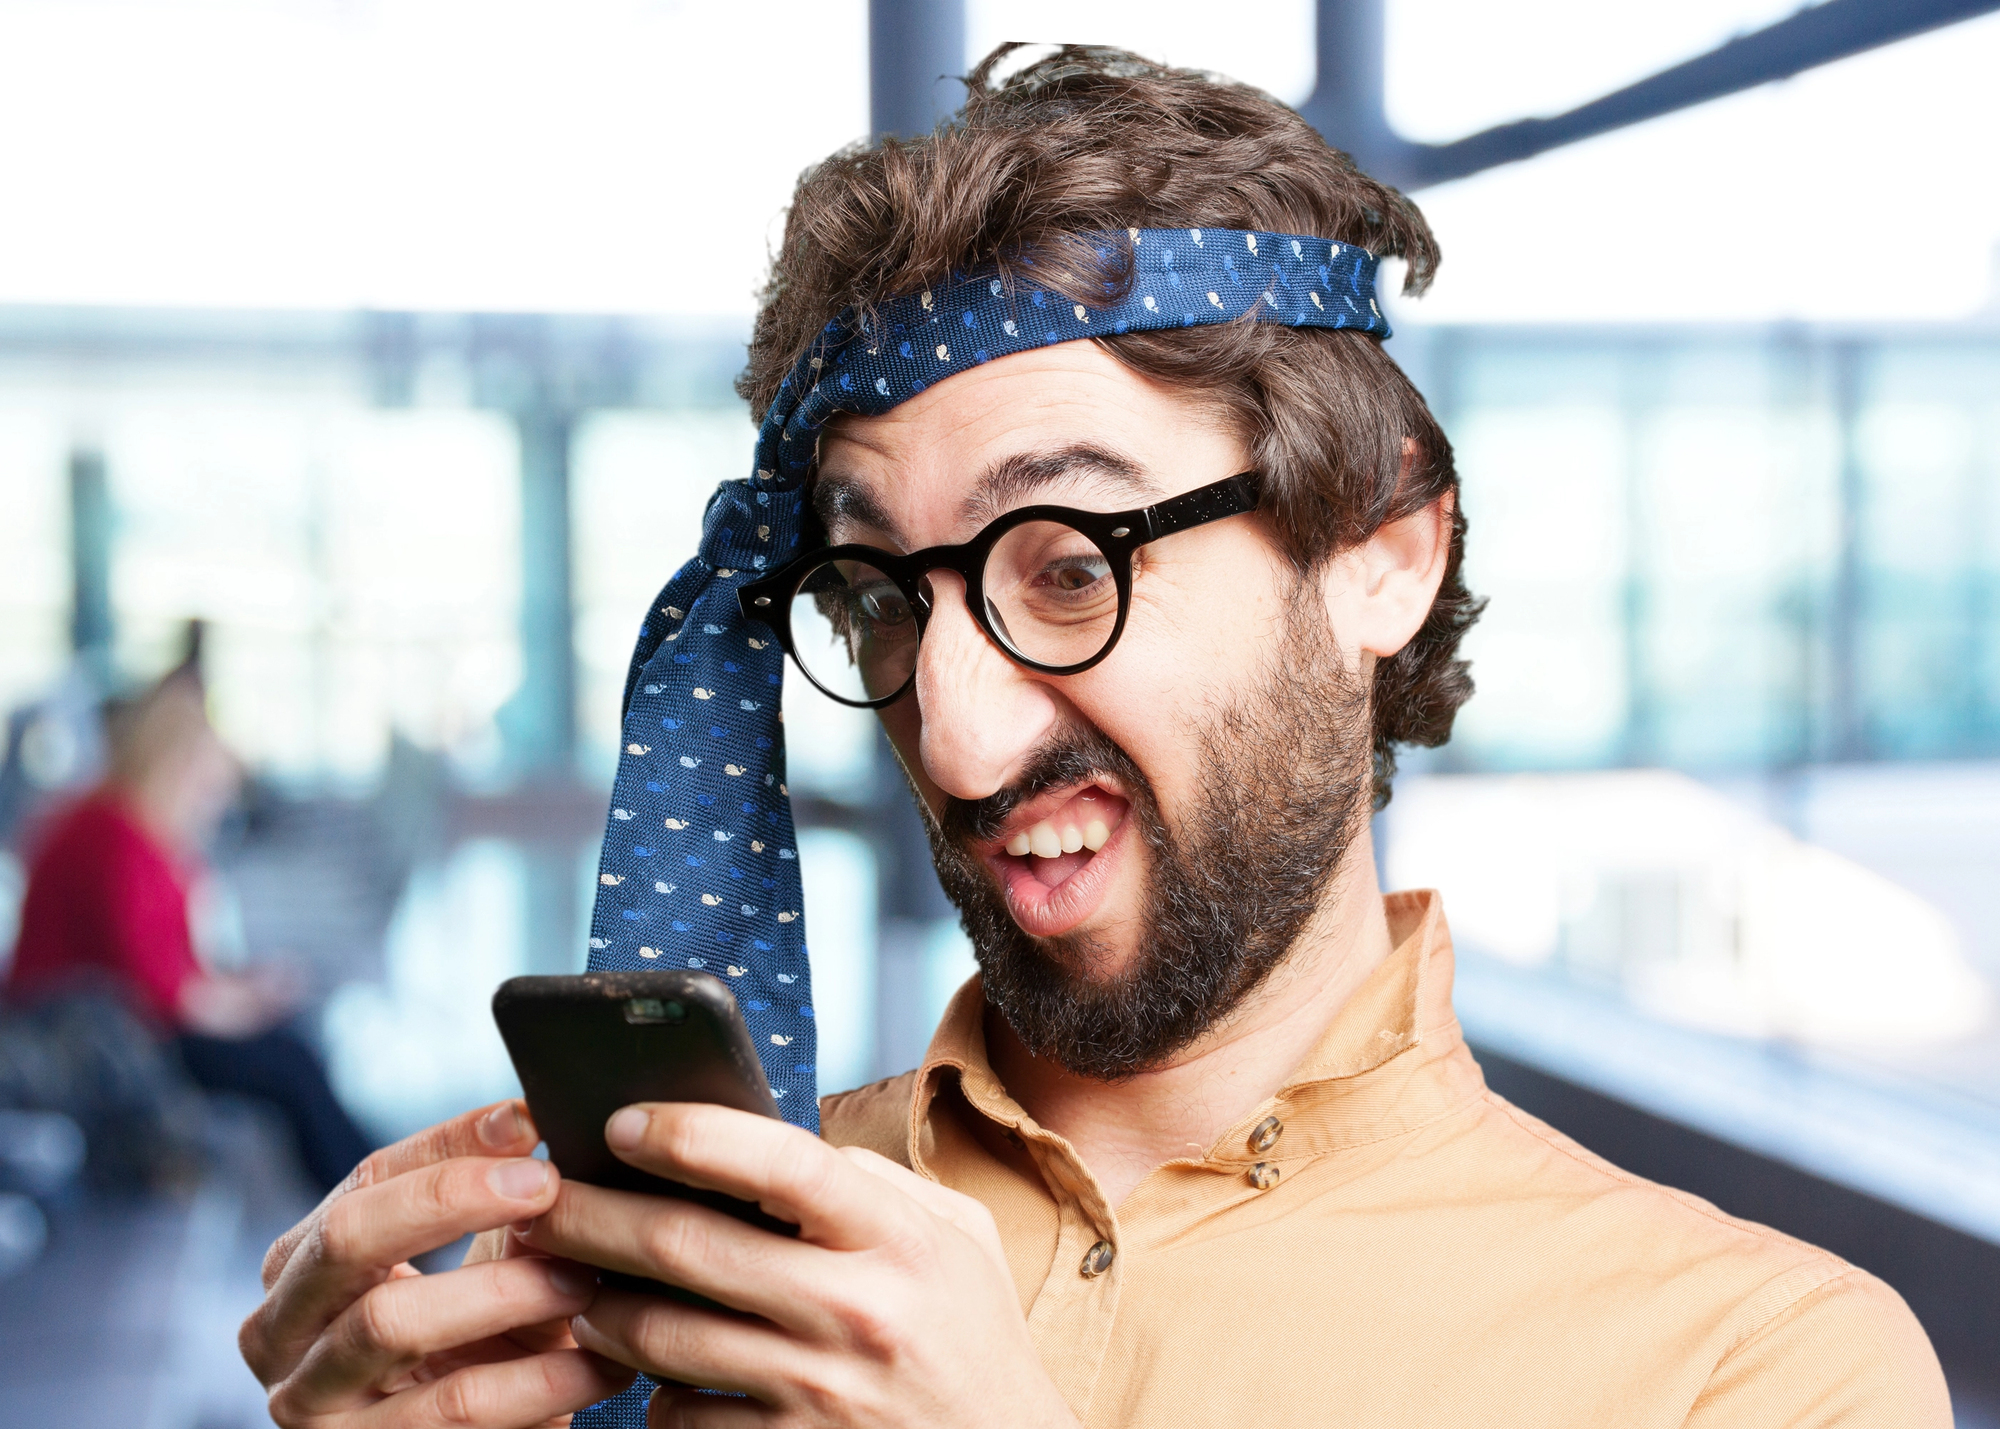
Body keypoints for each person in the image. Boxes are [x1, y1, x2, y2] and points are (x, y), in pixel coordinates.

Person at [237, 45, 1952, 1429]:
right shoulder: (690, 1267)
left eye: (1067, 565)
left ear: (1383, 552)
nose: (959, 739)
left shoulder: (1759, 1367)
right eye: (883, 603)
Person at [6, 660, 371, 1193]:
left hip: (123, 1026)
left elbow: (170, 965)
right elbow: (160, 992)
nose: (217, 801)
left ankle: (378, 1185)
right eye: (211, 785)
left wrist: (246, 990)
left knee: (293, 1048)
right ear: (176, 766)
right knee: (288, 1063)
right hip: (87, 1038)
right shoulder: (113, 836)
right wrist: (246, 1002)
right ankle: (377, 1198)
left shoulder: (133, 831)